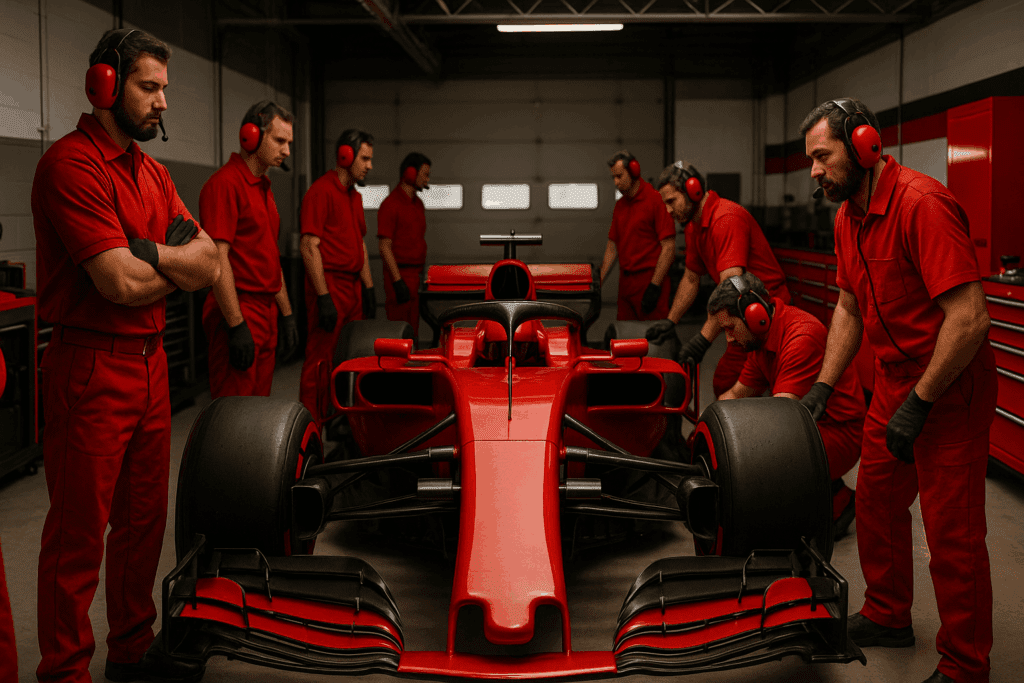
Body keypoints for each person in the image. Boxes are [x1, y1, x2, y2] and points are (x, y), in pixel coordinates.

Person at [32, 28, 219, 683]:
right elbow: (118, 283)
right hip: (90, 364)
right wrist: (172, 263)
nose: (162, 102)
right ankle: (64, 669)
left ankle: (132, 652)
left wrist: (153, 254)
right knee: (79, 531)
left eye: (164, 88)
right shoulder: (70, 166)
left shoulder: (154, 173)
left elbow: (210, 258)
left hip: (150, 363)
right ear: (105, 86)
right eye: (149, 87)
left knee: (144, 521)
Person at [799, 98, 996, 683]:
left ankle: (965, 664)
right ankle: (888, 615)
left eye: (821, 156)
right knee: (876, 499)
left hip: (948, 383)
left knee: (951, 531)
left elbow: (969, 319)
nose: (813, 170)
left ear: (864, 146)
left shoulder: (921, 205)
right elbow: (848, 307)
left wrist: (922, 401)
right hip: (891, 380)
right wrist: (823, 386)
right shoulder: (846, 219)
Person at [709, 273, 862, 539]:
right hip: (813, 426)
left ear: (755, 315)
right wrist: (705, 432)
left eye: (730, 328)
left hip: (841, 432)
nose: (729, 339)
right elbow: (736, 394)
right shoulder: (759, 338)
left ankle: (835, 499)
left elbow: (779, 424)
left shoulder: (800, 336)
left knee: (761, 459)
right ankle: (834, 493)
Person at [646, 161, 792, 397]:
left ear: (693, 190)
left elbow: (731, 289)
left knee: (731, 384)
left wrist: (703, 340)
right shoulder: (695, 225)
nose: (668, 210)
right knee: (730, 384)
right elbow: (692, 278)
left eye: (671, 201)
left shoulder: (725, 219)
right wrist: (671, 321)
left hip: (767, 315)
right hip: (743, 314)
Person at [199, 100, 298, 399]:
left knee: (257, 410)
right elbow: (218, 260)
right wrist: (236, 323)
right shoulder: (225, 185)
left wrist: (287, 313)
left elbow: (270, 258)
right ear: (251, 135)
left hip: (266, 309)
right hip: (239, 307)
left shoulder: (263, 188)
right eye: (279, 141)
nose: (286, 151)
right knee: (234, 411)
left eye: (289, 143)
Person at [298, 129, 376, 421]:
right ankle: (312, 429)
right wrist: (323, 297)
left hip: (352, 288)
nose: (369, 165)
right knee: (321, 360)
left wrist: (368, 288)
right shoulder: (321, 192)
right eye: (365, 158)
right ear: (345, 155)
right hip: (329, 285)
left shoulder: (354, 197)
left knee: (352, 357)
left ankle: (344, 421)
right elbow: (308, 246)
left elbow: (361, 245)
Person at [599, 150, 675, 321]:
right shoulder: (620, 206)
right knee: (625, 336)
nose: (615, 182)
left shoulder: (655, 201)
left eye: (619, 176)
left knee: (652, 338)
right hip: (626, 283)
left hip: (649, 280)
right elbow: (613, 246)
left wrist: (655, 286)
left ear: (634, 171)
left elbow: (669, 246)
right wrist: (599, 281)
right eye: (613, 178)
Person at [377, 152, 430, 337]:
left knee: (413, 328)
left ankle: (412, 362)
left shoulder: (418, 204)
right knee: (398, 331)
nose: (427, 179)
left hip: (416, 275)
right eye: (424, 174)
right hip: (399, 276)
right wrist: (397, 281)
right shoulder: (390, 205)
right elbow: (384, 246)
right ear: (409, 173)